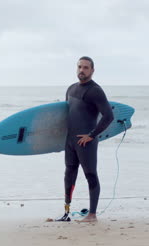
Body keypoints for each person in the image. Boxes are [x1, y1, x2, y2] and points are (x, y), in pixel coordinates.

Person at [57, 56, 114, 222]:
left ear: (92, 70)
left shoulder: (95, 90)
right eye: (79, 67)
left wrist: (92, 135)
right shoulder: (71, 89)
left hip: (85, 142)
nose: (82, 70)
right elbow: (68, 114)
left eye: (86, 68)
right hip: (70, 142)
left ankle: (92, 215)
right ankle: (66, 211)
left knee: (90, 175)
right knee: (69, 174)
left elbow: (108, 116)